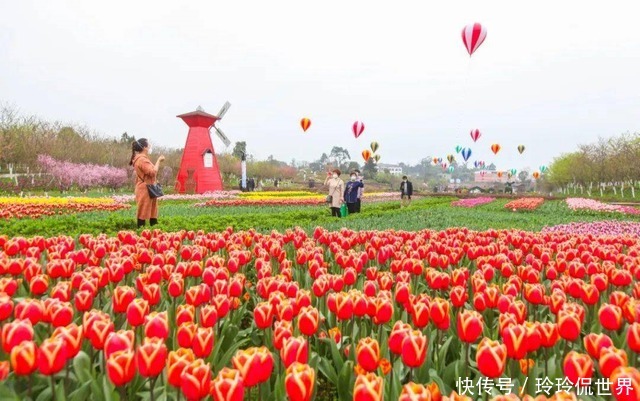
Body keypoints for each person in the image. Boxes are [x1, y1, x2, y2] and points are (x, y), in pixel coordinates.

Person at [130, 138, 165, 227]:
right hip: (145, 189)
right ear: (144, 147)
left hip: (148, 187)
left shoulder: (141, 159)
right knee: (143, 211)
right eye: (148, 145)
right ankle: (142, 233)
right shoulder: (142, 159)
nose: (149, 147)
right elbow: (153, 172)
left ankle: (153, 232)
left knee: (152, 210)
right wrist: (158, 161)